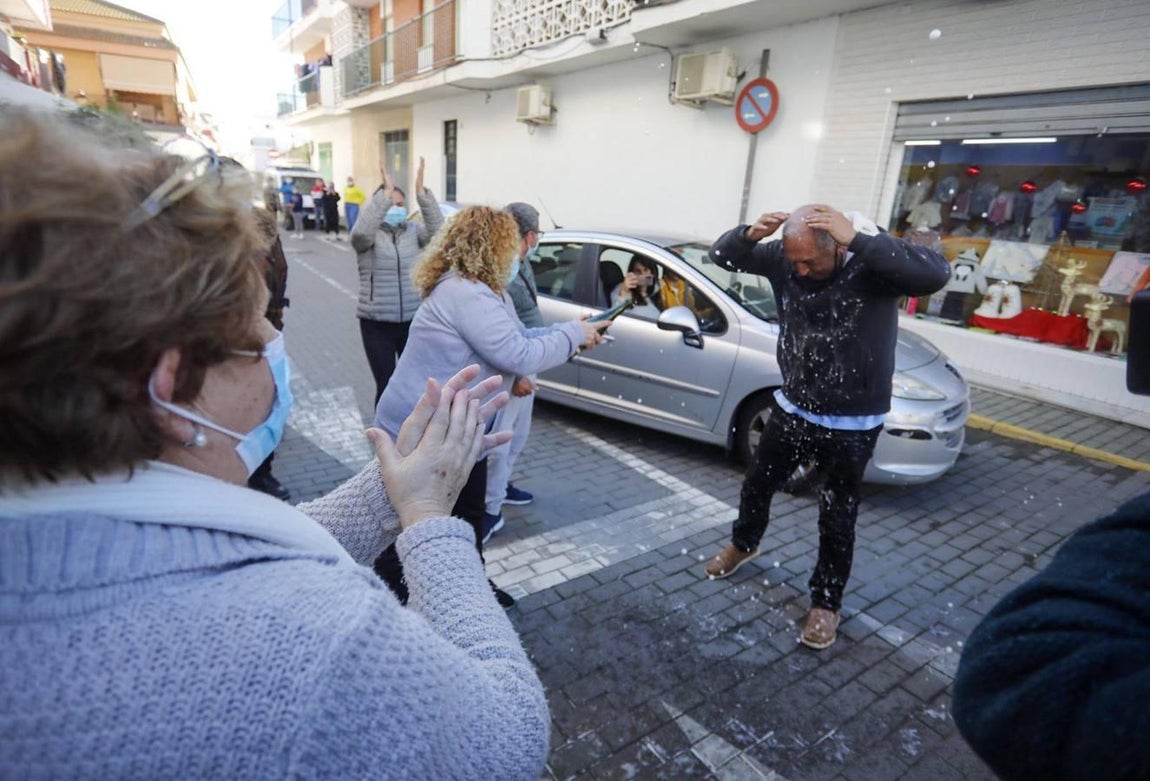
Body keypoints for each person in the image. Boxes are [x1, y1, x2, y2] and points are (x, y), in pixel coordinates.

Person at [0, 107, 550, 779]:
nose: (274, 342)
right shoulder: (316, 640)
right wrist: (432, 525)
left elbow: (213, 546)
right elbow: (508, 740)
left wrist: (391, 490)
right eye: (255, 327)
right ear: (171, 384)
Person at [703, 204, 950, 650]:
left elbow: (934, 274)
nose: (799, 270)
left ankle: (826, 603)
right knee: (757, 482)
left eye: (810, 262)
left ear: (837, 246)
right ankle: (744, 543)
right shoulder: (786, 258)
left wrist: (861, 240)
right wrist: (749, 235)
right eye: (794, 261)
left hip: (854, 420)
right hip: (795, 405)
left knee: (837, 512)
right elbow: (721, 257)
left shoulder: (872, 266)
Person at [371, 205, 611, 608]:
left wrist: (574, 330)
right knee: (408, 522)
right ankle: (391, 598)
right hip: (422, 430)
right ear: (492, 247)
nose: (519, 254)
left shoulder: (487, 292)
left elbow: (520, 337)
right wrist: (572, 336)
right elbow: (517, 354)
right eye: (512, 245)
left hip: (459, 429)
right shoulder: (464, 292)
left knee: (468, 514)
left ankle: (471, 588)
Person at [350, 156, 444, 404]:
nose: (396, 208)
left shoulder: (413, 232)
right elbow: (360, 234)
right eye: (391, 204)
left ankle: (415, 425)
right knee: (387, 385)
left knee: (415, 383)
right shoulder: (367, 238)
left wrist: (422, 194)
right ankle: (384, 427)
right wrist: (385, 194)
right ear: (379, 207)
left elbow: (440, 236)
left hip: (412, 321)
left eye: (400, 204)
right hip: (377, 323)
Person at [483, 202, 547, 540]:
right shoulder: (501, 267)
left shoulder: (520, 261)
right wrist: (520, 374)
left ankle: (502, 487)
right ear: (531, 236)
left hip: (528, 358)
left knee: (518, 436)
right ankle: (490, 510)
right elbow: (502, 328)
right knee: (500, 442)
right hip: (514, 366)